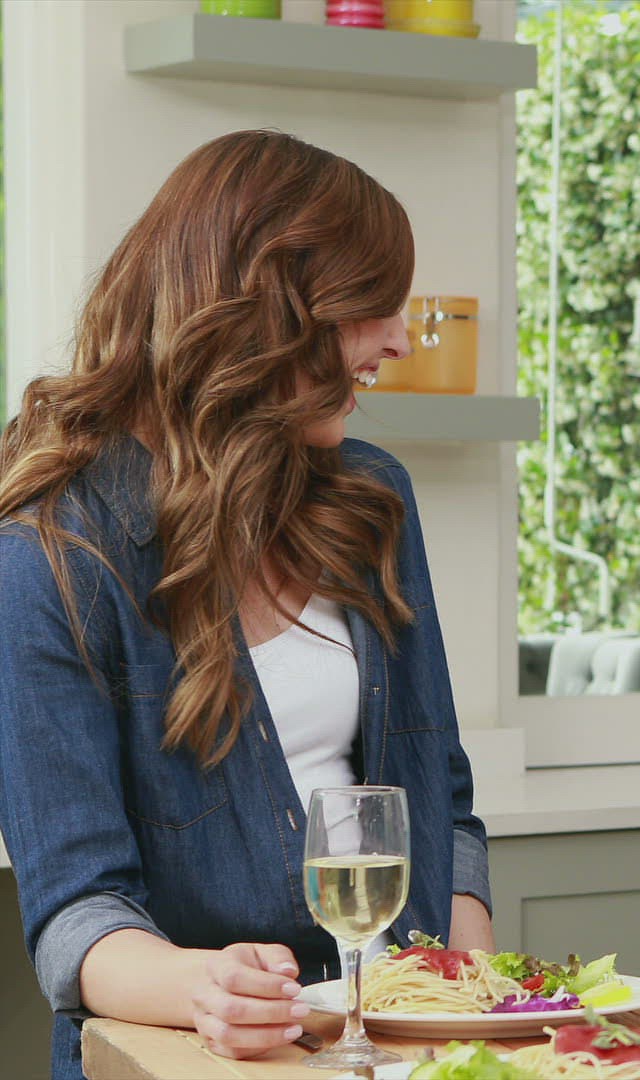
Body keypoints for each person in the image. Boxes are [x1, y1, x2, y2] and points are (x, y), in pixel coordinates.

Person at [0, 130, 491, 1079]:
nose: (399, 339)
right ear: (271, 314)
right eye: (372, 307)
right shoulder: (50, 557)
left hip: (398, 1048)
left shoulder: (372, 500)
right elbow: (76, 913)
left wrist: (476, 1006)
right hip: (193, 1054)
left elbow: (444, 802)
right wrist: (205, 987)